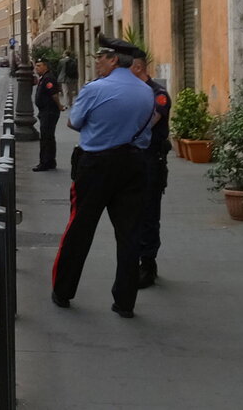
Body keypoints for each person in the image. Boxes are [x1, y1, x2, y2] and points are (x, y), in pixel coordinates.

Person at [51, 35, 157, 318]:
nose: (97, 62)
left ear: (114, 59)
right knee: (129, 234)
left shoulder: (95, 89)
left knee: (79, 228)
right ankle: (125, 302)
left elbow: (74, 122)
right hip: (133, 165)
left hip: (96, 165)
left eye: (100, 57)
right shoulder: (146, 91)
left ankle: (63, 291)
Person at [126, 46, 171, 289]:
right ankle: (136, 260)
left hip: (152, 159)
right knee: (133, 212)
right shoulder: (135, 93)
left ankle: (148, 264)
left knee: (149, 214)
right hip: (134, 158)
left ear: (138, 68)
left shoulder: (158, 94)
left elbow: (149, 122)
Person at [33, 57, 63, 172]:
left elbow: (54, 94)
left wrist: (59, 106)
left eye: (39, 66)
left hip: (49, 112)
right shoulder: (44, 78)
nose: (36, 68)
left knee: (46, 137)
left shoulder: (48, 78)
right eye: (36, 66)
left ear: (45, 66)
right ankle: (50, 161)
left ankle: (45, 163)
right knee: (49, 137)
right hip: (46, 111)